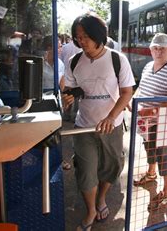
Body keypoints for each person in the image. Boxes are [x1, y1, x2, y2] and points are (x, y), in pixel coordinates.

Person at [61, 13, 134, 231]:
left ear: (98, 35)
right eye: (77, 37)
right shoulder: (73, 61)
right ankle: (91, 209)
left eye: (85, 36)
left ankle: (102, 198)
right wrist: (69, 97)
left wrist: (111, 117)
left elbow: (127, 92)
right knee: (86, 170)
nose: (81, 41)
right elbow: (73, 90)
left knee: (110, 167)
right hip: (84, 126)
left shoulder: (117, 59)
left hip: (112, 125)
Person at [132, 33, 167, 211]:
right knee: (150, 148)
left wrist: (151, 111)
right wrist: (134, 99)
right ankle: (151, 174)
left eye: (163, 48)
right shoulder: (148, 66)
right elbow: (141, 87)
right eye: (155, 47)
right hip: (146, 123)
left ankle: (166, 193)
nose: (158, 51)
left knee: (166, 158)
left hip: (165, 125)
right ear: (150, 50)